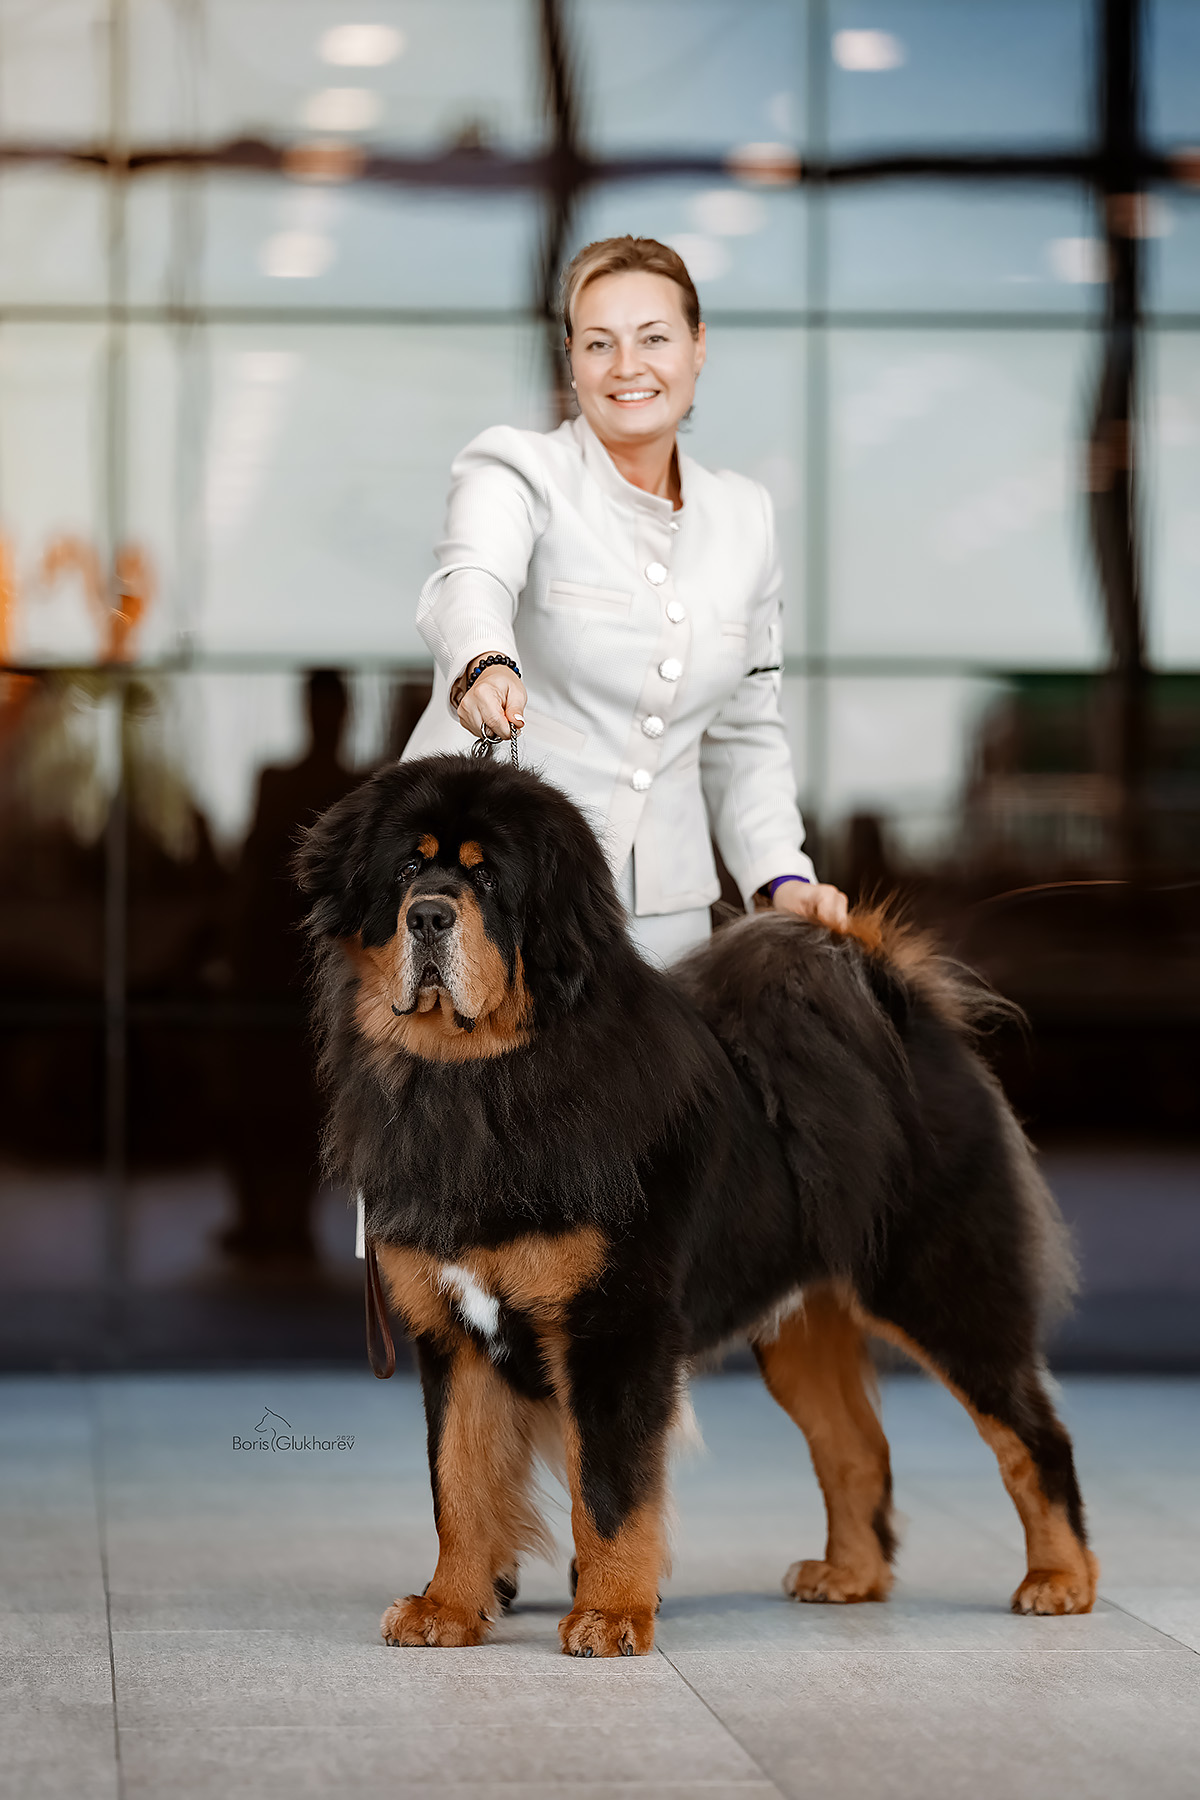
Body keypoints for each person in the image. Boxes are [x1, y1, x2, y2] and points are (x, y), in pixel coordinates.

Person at [403, 235, 847, 965]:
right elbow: (471, 578)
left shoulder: (747, 516)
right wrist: (483, 661)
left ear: (698, 347)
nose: (627, 366)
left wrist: (780, 875)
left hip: (665, 921)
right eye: (599, 343)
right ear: (571, 357)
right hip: (501, 889)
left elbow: (744, 731)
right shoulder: (517, 467)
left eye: (655, 338)